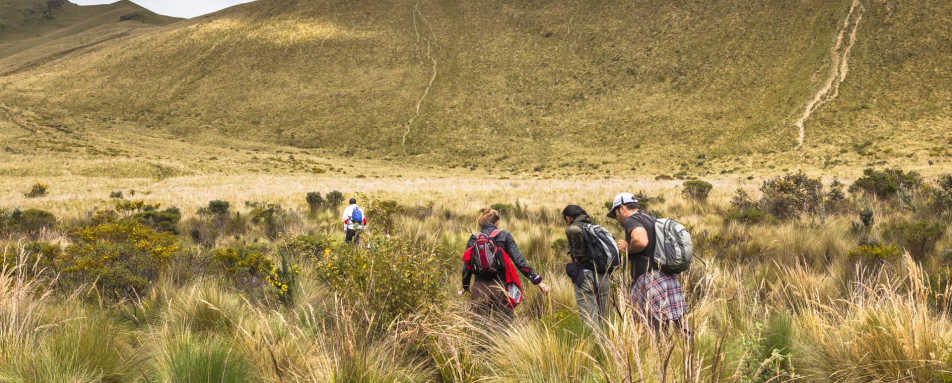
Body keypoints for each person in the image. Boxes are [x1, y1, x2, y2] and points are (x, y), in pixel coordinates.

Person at [607, 193, 687, 333]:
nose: (616, 219)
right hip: (667, 277)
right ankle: (688, 353)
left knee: (652, 327)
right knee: (678, 325)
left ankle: (657, 354)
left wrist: (627, 248)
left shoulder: (632, 220)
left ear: (622, 208)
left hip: (649, 280)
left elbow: (641, 241)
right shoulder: (651, 219)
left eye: (615, 214)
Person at [460, 208, 550, 323]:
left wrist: (465, 286)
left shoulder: (474, 238)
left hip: (479, 288)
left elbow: (466, 266)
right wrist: (538, 282)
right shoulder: (504, 235)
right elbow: (519, 261)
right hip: (502, 288)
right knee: (503, 328)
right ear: (497, 222)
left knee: (479, 328)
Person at [563, 205, 612, 329]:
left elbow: (577, 256)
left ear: (568, 218)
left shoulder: (573, 229)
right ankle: (607, 347)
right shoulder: (595, 228)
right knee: (603, 319)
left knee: (590, 321)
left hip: (587, 277)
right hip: (604, 276)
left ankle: (593, 347)